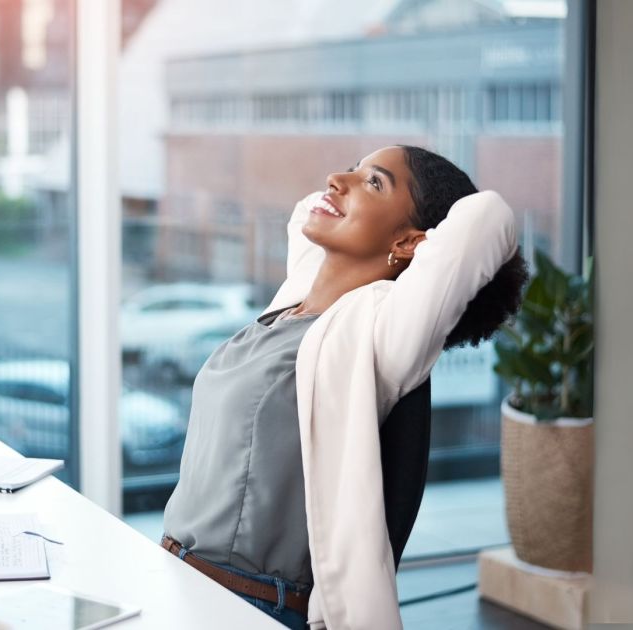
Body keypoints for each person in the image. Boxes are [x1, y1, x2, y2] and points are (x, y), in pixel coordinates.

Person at [160, 145, 527, 629]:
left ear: (412, 241)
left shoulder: (380, 336)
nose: (336, 179)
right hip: (174, 575)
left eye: (374, 182)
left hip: (246, 606)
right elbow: (304, 211)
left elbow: (487, 217)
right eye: (352, 171)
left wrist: (412, 242)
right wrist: (357, 189)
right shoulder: (290, 306)